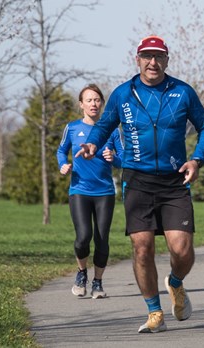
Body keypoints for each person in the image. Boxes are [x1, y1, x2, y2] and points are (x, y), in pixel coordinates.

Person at [76, 35, 204, 333]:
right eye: (147, 56)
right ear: (137, 59)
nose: (153, 62)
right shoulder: (123, 93)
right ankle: (155, 312)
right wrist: (91, 144)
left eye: (159, 56)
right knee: (142, 248)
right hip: (137, 180)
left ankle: (176, 283)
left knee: (182, 249)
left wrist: (197, 159)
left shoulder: (182, 92)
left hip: (174, 181)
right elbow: (104, 126)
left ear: (167, 60)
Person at [57, 84, 124, 299]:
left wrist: (114, 158)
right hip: (79, 190)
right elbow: (61, 150)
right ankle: (81, 273)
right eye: (89, 100)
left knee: (102, 238)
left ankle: (98, 282)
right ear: (81, 105)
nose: (93, 104)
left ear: (102, 103)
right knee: (83, 237)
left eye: (97, 100)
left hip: (104, 191)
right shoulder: (72, 128)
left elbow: (124, 158)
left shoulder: (112, 130)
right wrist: (63, 165)